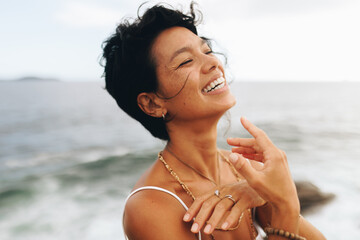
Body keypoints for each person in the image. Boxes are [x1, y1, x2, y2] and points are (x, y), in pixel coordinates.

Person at [101, 3, 326, 240]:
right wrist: (283, 205)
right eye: (186, 61)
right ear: (153, 104)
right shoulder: (151, 207)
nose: (214, 63)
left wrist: (277, 195)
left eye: (207, 51)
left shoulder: (241, 171)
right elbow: (286, 218)